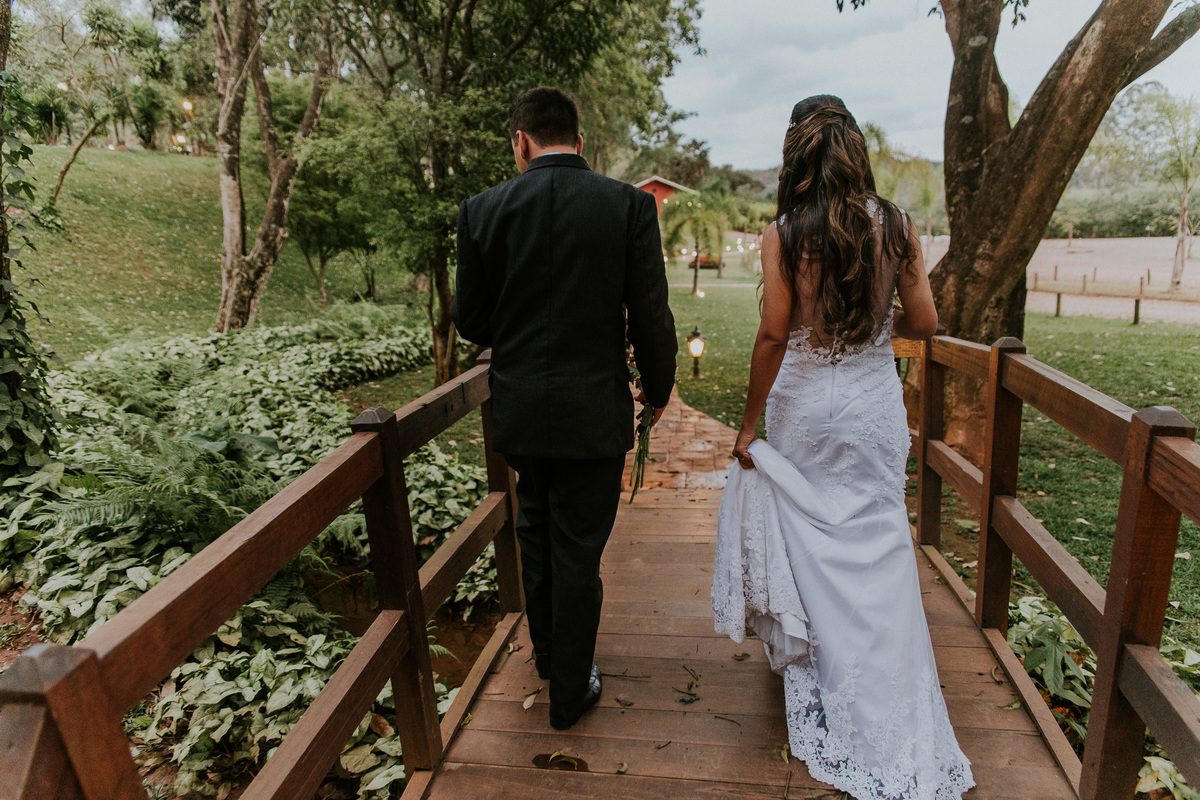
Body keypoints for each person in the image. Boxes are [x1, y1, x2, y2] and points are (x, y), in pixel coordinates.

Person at [711, 95, 975, 799]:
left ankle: (826, 670)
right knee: (884, 542)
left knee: (814, 543)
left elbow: (773, 334)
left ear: (798, 153)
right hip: (869, 401)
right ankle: (889, 692)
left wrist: (747, 426)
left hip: (803, 403)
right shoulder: (896, 227)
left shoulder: (784, 234)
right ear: (855, 149)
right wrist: (871, 312)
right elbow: (925, 321)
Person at [452, 87, 677, 731]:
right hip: (593, 414)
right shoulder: (628, 207)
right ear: (580, 143)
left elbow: (471, 321)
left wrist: (521, 325)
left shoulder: (482, 211)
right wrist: (657, 392)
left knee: (536, 528)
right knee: (577, 547)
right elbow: (652, 318)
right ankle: (569, 690)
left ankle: (551, 659)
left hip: (521, 412)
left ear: (520, 142)